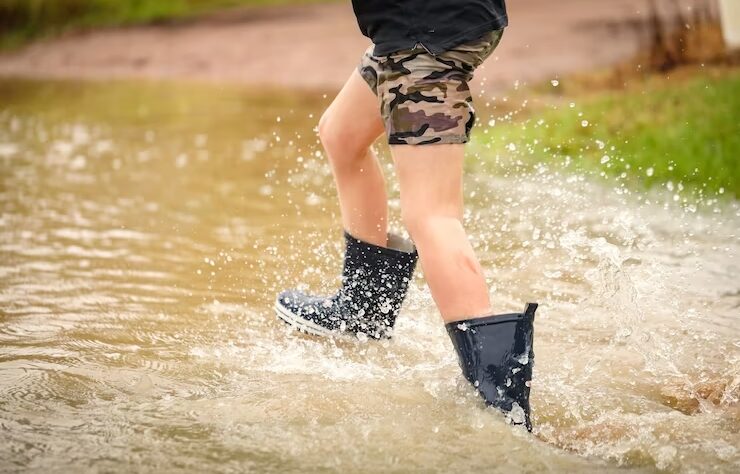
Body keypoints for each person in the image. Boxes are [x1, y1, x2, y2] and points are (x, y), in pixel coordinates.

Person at [274, 0, 538, 431]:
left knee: (433, 215)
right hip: (411, 32)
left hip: (425, 38)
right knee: (341, 134)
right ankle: (365, 308)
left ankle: (499, 399)